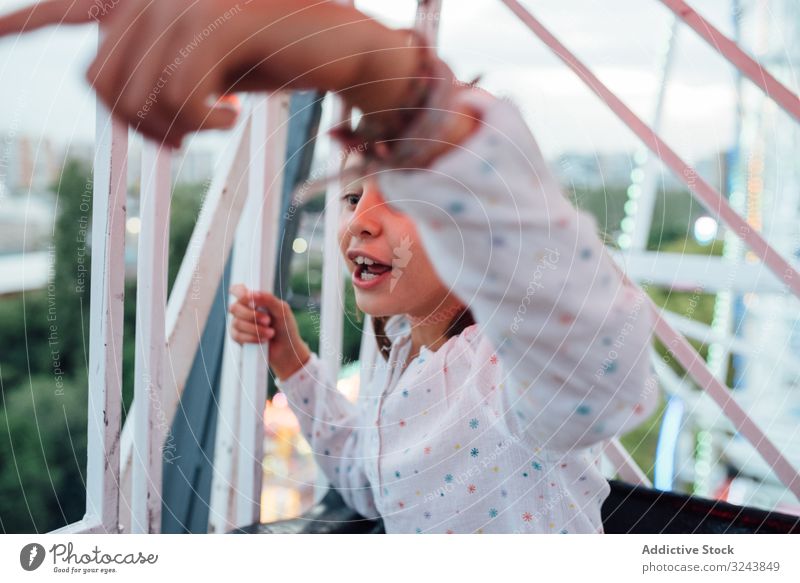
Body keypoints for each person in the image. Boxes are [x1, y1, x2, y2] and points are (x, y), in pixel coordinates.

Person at [1, 0, 659, 533]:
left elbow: (604, 368)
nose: (360, 220)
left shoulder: (509, 380)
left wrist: (395, 78)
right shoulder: (406, 354)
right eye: (350, 195)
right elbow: (372, 481)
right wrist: (294, 361)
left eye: (401, 192)